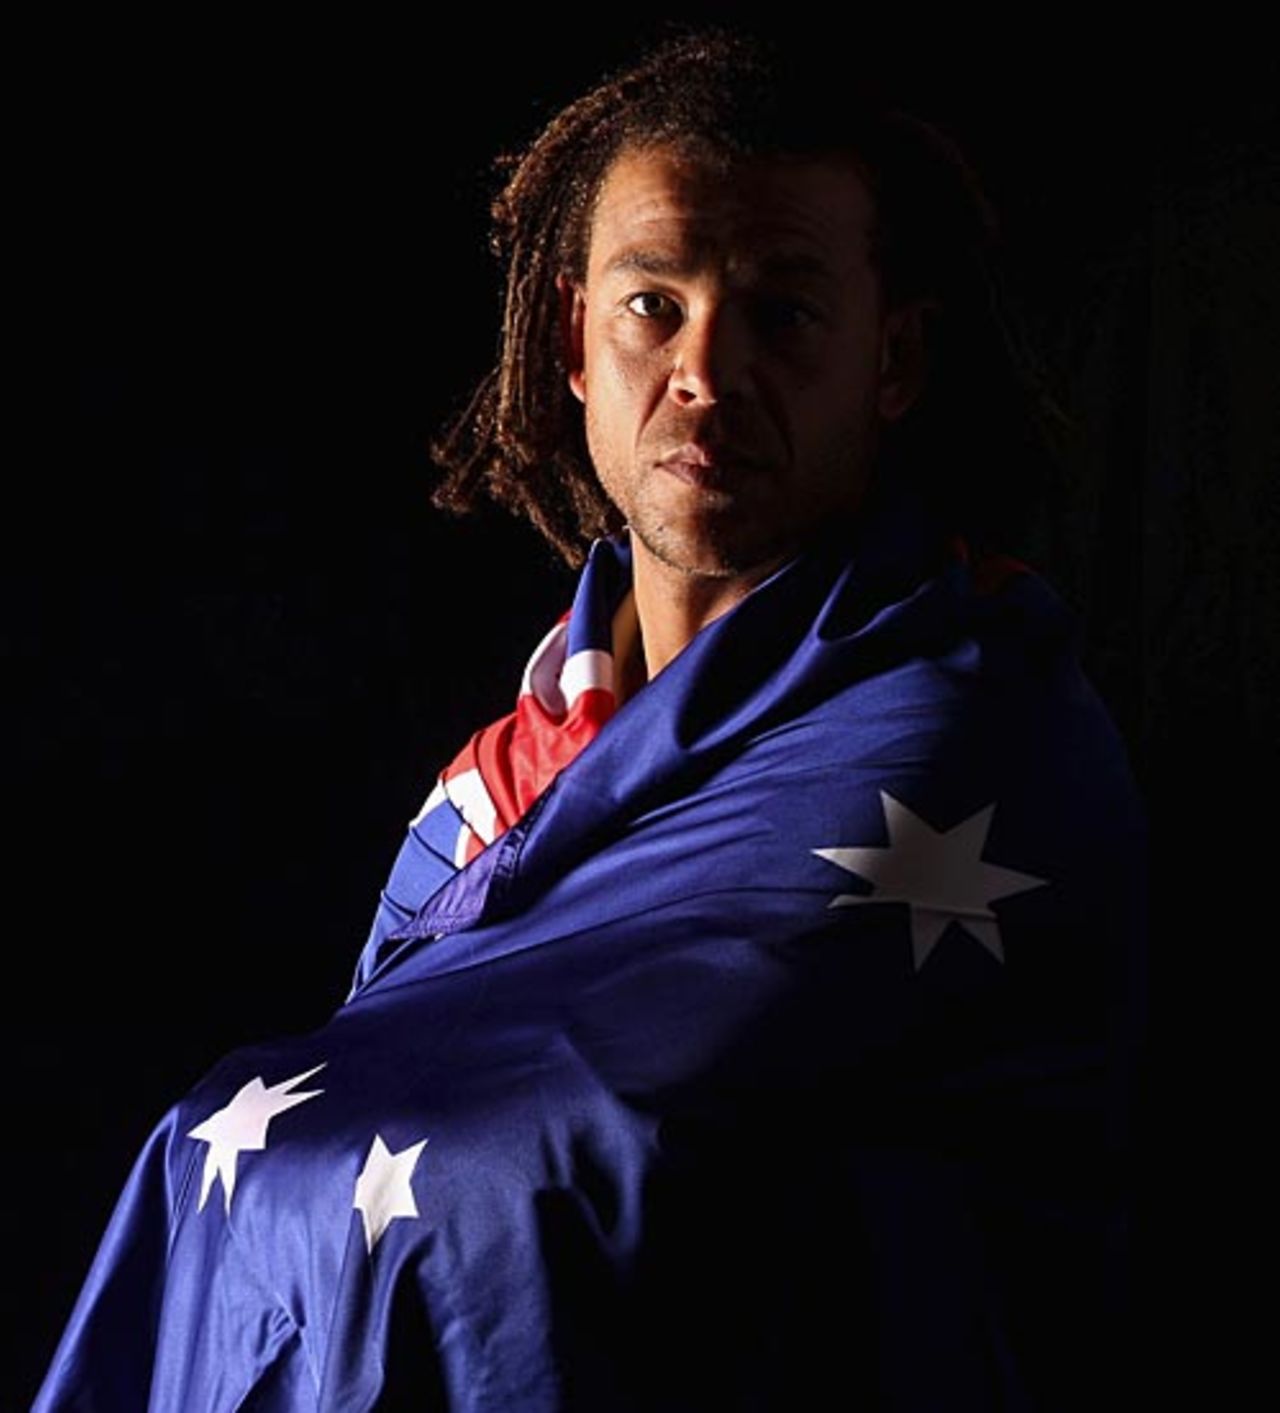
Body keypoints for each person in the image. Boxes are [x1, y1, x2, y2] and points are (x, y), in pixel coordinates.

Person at [37, 31, 1145, 1412]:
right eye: (651, 306)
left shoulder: (976, 723)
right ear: (572, 339)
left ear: (896, 359)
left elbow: (621, 1131)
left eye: (784, 314)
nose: (704, 372)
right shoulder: (507, 775)